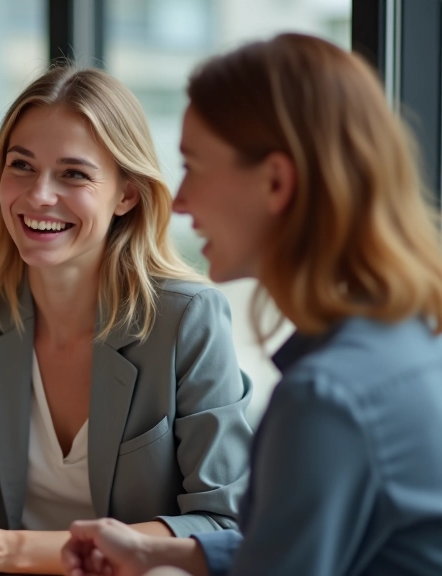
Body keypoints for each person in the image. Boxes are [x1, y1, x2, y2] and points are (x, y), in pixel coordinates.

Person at [61, 33, 442, 576]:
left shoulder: (327, 400)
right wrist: (157, 552)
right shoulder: (408, 337)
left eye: (194, 165)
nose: (181, 199)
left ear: (276, 182)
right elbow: (299, 543)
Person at [0, 65, 254, 576]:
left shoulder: (187, 318)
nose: (39, 196)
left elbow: (221, 521)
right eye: (22, 166)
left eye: (74, 174)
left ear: (126, 194)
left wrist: (8, 550)